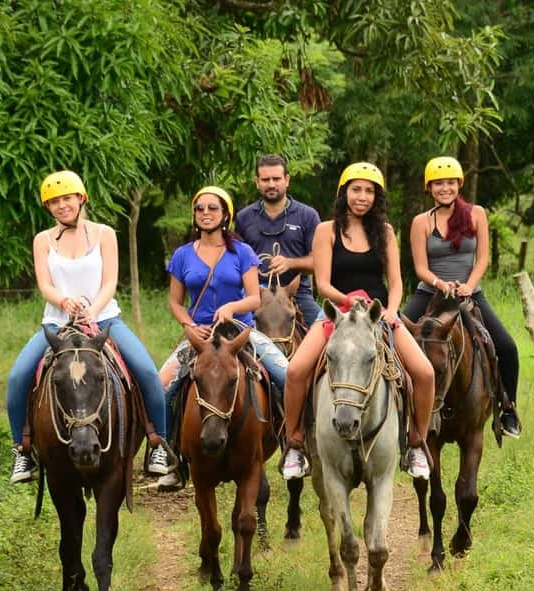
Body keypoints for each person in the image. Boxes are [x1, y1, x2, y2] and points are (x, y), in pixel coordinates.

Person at [5, 170, 169, 483]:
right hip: (57, 322)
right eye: (54, 202)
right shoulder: (43, 240)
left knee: (147, 371)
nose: (61, 205)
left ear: (81, 199)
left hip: (104, 318)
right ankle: (22, 452)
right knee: (18, 375)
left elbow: (110, 281)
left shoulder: (104, 233)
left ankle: (158, 444)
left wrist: (92, 312)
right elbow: (45, 286)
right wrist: (65, 303)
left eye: (67, 198)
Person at [280, 162, 436, 480]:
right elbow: (322, 284)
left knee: (424, 372)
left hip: (378, 316)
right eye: (356, 190)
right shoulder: (327, 231)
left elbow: (396, 284)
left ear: (376, 197)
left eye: (369, 191)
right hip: (338, 315)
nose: (362, 197)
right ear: (344, 193)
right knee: (296, 370)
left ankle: (417, 443)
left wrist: (392, 310)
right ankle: (295, 444)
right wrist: (349, 301)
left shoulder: (386, 232)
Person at [157, 185, 290, 489]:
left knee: (286, 375)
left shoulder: (242, 253)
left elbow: (255, 298)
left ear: (225, 214)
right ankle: (170, 457)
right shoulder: (182, 255)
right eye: (200, 208)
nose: (205, 213)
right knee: (161, 386)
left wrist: (232, 306)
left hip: (240, 333)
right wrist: (190, 324)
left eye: (212, 208)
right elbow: (175, 302)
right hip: (199, 335)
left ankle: (293, 445)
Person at [403, 156, 522, 437]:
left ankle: (508, 409)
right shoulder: (421, 222)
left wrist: (469, 285)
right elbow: (420, 267)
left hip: (470, 293)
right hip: (430, 293)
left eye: (450, 183)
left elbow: (483, 258)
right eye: (439, 183)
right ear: (429, 187)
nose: (445, 188)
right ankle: (401, 409)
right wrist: (439, 282)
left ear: (459, 184)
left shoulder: (476, 213)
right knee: (396, 339)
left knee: (507, 347)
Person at [234, 154, 323, 323]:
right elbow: (237, 264)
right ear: (257, 182)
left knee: (328, 335)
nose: (271, 184)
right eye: (265, 179)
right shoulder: (243, 217)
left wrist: (290, 263)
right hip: (255, 296)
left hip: (298, 296)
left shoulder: (307, 215)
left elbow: (319, 263)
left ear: (287, 180)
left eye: (276, 178)